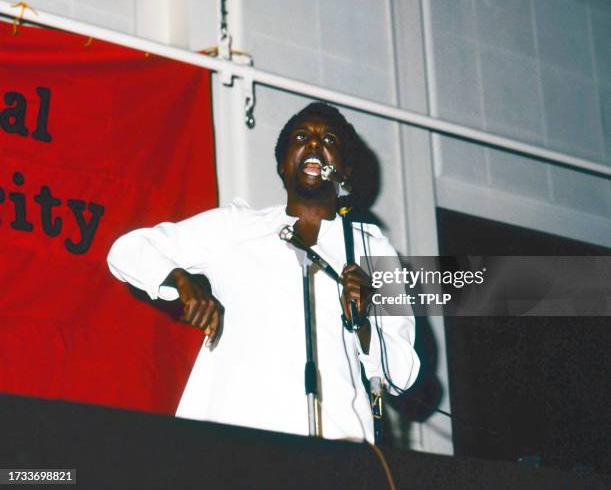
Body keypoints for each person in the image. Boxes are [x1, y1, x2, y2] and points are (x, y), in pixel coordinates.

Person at [107, 102, 419, 442]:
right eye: (302, 136)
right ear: (283, 166)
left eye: (329, 139)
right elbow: (128, 251)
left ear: (344, 170)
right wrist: (179, 280)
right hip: (235, 440)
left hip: (336, 447)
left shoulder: (373, 250)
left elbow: (400, 374)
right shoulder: (236, 226)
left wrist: (363, 324)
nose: (314, 144)